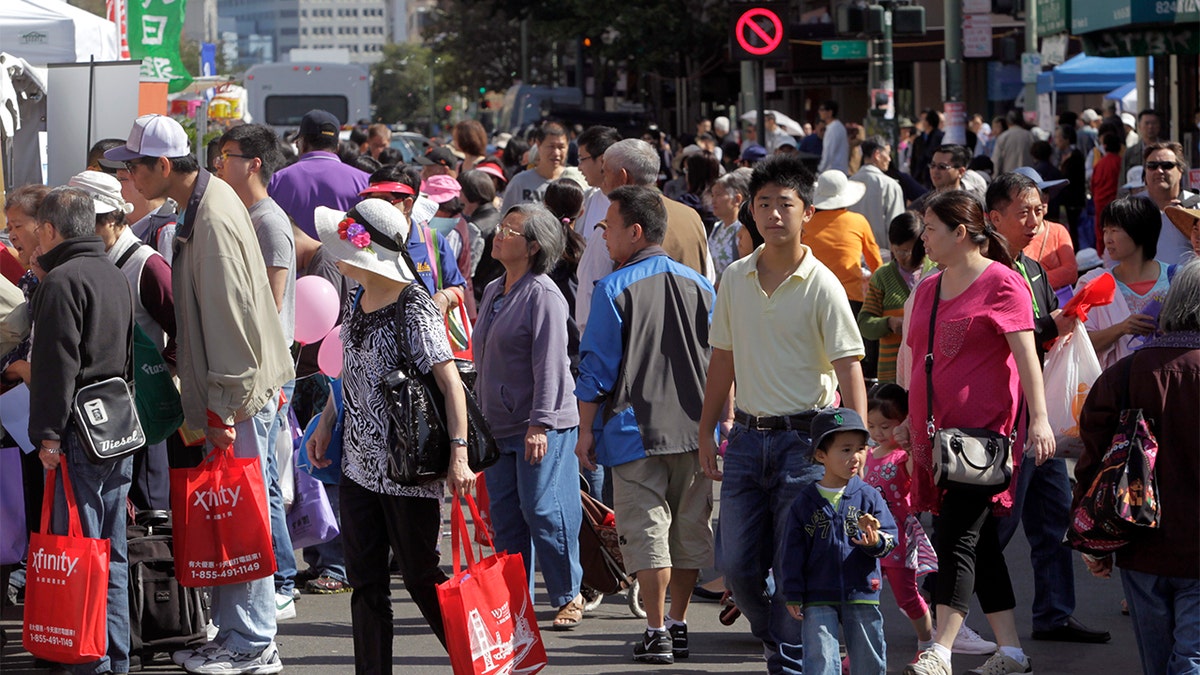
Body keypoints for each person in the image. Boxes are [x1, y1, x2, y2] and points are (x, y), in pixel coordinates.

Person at [107, 113, 294, 674]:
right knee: (235, 512)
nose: (129, 178)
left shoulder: (208, 215)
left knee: (242, 516)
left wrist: (224, 409)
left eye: (133, 166)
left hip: (233, 394)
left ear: (163, 166)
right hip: (229, 390)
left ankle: (253, 641)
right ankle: (239, 633)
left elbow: (231, 319)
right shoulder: (205, 201)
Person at [698, 154, 867, 674]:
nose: (773, 214)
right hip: (747, 439)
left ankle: (790, 658)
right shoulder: (734, 277)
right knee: (739, 568)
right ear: (750, 210)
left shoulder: (823, 285)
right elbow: (721, 358)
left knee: (796, 565)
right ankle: (782, 638)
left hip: (806, 444)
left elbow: (849, 369)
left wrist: (854, 445)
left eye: (784, 204)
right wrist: (707, 428)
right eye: (763, 204)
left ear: (807, 212)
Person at [306, 199, 474, 673]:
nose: (334, 255)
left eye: (343, 245)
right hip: (359, 469)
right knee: (366, 582)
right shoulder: (356, 299)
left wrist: (459, 456)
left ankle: (475, 660)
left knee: (421, 577)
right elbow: (352, 372)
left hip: (408, 472)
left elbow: (450, 384)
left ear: (367, 253)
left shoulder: (414, 305)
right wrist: (327, 419)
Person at [903, 190, 1056, 675]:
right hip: (935, 438)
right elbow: (917, 359)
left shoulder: (1003, 283)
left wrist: (1042, 418)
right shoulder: (928, 286)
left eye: (930, 228)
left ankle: (940, 650)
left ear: (960, 233)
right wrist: (907, 423)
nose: (923, 236)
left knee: (955, 539)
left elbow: (1028, 358)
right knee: (981, 541)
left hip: (982, 440)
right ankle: (1011, 652)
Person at [574, 185, 716, 665]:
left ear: (635, 233)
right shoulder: (702, 284)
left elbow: (596, 368)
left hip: (634, 430)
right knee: (690, 531)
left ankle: (655, 630)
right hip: (698, 430)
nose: (604, 237)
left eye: (607, 228)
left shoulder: (613, 288)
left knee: (649, 531)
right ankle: (677, 624)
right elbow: (724, 360)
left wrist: (584, 430)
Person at [986, 172, 1109, 646]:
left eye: (1039, 210)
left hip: (1042, 411)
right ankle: (940, 601)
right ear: (994, 218)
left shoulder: (1034, 270)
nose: (1036, 220)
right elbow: (1004, 337)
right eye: (1024, 212)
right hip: (1007, 411)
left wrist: (1062, 321)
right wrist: (1050, 324)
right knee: (1001, 520)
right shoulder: (985, 269)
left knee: (1054, 517)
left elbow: (1038, 334)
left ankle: (1054, 614)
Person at [29, 186, 136, 675]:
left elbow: (56, 366)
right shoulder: (113, 273)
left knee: (80, 549)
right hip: (117, 422)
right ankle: (114, 655)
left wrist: (47, 435)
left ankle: (89, 659)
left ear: (51, 230)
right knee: (110, 550)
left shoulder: (61, 280)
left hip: (77, 428)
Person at [1076, 261, 1200, 675]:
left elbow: (1092, 462)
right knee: (1191, 659)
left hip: (1139, 542)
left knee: (1158, 660)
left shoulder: (1124, 374)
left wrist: (1095, 540)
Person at [472, 203, 585, 631]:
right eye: (499, 228)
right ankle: (513, 598)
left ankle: (567, 593)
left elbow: (552, 365)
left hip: (542, 423)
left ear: (534, 247)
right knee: (505, 516)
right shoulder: (495, 288)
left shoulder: (544, 295)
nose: (498, 235)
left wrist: (540, 422)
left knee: (542, 508)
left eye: (510, 231)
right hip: (497, 426)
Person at [216, 123, 301, 616]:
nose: (218, 165)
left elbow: (271, 303)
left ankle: (282, 578)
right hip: (257, 368)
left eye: (227, 156)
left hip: (265, 370)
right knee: (259, 475)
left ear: (254, 164)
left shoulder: (268, 220)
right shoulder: (245, 214)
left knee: (262, 477)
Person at [69, 170, 177, 514]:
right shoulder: (89, 262)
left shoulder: (147, 265)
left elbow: (185, 328)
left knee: (147, 506)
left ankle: (149, 568)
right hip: (101, 413)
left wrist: (161, 373)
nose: (83, 233)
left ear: (116, 219)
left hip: (142, 410)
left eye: (92, 224)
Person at [781, 407, 897, 675]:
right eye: (845, 450)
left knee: (869, 659)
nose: (855, 457)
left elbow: (891, 538)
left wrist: (875, 541)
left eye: (860, 448)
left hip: (862, 592)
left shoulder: (869, 496)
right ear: (821, 455)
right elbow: (792, 552)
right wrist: (793, 592)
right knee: (821, 659)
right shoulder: (805, 503)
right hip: (817, 594)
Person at [862, 385, 936, 659]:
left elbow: (922, 462)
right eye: (871, 425)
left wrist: (911, 435)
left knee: (907, 597)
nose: (878, 432)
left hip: (897, 539)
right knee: (863, 596)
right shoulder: (865, 455)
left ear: (902, 422)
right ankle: (857, 652)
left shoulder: (904, 458)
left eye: (886, 425)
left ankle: (927, 644)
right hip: (867, 539)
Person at [1076, 196, 1172, 370]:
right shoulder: (1093, 283)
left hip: (1166, 384)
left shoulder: (1176, 279)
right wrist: (1121, 329)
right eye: (1105, 230)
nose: (1107, 238)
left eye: (1115, 230)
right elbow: (1078, 343)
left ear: (1140, 231)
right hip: (1113, 390)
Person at [600, 138, 712, 281]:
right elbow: (708, 278)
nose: (602, 181)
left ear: (623, 177)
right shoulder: (692, 218)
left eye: (605, 173)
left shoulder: (610, 229)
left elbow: (589, 293)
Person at [857, 213, 936, 383]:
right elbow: (865, 323)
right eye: (896, 249)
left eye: (907, 250)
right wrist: (888, 323)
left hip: (929, 367)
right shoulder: (883, 276)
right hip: (892, 373)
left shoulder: (936, 273)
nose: (901, 255)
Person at [268, 109, 370, 239]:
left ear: (302, 143)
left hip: (293, 258)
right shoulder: (364, 182)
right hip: (345, 259)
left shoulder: (276, 181)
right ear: (337, 146)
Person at [573, 125, 624, 332]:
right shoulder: (587, 201)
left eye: (582, 159)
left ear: (602, 160)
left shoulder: (630, 208)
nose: (579, 168)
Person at [1012, 167, 1079, 293]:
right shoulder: (1008, 235)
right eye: (1036, 194)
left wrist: (1031, 281)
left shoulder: (1058, 231)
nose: (1043, 199)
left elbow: (1071, 272)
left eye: (1045, 193)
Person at [849, 136, 906, 255]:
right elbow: (897, 230)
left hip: (853, 254)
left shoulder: (848, 184)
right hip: (882, 257)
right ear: (877, 154)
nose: (890, 159)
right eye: (888, 154)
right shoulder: (890, 185)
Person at [1143, 141, 1196, 265]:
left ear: (1180, 171)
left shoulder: (1196, 206)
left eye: (1167, 165)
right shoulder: (1131, 211)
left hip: (1188, 282)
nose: (1159, 171)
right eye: (1152, 165)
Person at [501, 122, 569, 213]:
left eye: (561, 147)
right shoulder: (520, 182)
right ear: (538, 145)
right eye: (551, 146)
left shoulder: (573, 182)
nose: (556, 153)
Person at [707, 170, 750, 282]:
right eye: (712, 195)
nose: (713, 201)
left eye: (718, 195)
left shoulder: (743, 229)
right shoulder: (717, 227)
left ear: (737, 199)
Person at [1090, 133, 1124, 256]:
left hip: (1100, 203)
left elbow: (1093, 184)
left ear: (1104, 146)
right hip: (1116, 203)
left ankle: (1102, 256)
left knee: (1101, 232)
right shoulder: (1120, 162)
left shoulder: (1099, 164)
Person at [992, 109, 1035, 175]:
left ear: (1007, 122)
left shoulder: (1003, 137)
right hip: (1029, 178)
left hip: (1009, 179)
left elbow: (996, 161)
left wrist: (994, 178)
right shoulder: (1031, 136)